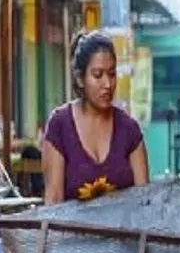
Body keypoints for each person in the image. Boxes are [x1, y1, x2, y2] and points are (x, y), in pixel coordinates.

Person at [42, 30, 150, 203]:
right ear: (80, 79)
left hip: (123, 229)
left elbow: (145, 202)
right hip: (70, 230)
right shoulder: (60, 125)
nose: (107, 84)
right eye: (98, 75)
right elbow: (53, 200)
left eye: (112, 74)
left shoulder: (129, 130)